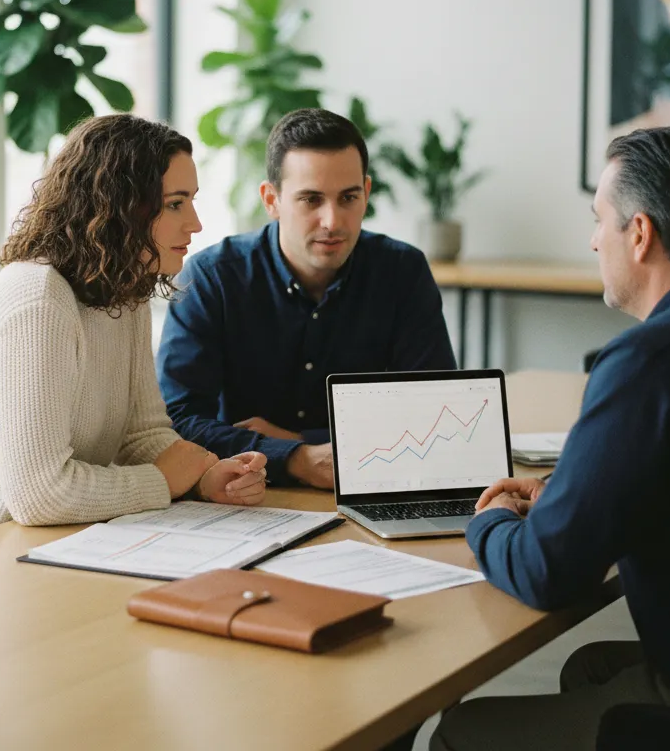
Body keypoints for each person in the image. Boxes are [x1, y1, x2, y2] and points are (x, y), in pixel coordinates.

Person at [431, 127, 670, 750]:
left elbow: (547, 572)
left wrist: (493, 519)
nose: (593, 240)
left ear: (640, 234)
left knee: (457, 733)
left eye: (600, 220)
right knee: (586, 666)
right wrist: (571, 494)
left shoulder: (647, 361)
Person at [0, 115, 266, 556]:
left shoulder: (125, 288)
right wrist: (163, 481)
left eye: (191, 201)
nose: (194, 224)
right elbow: (39, 493)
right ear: (122, 205)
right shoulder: (38, 300)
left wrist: (203, 476)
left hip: (31, 544)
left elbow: (141, 434)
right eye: (176, 203)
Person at [157, 108, 455, 491]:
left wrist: (295, 442)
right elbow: (179, 420)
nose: (332, 220)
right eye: (311, 200)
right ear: (272, 199)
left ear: (366, 192)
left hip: (375, 487)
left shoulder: (403, 271)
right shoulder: (211, 278)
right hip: (249, 496)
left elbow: (435, 410)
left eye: (348, 197)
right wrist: (297, 460)